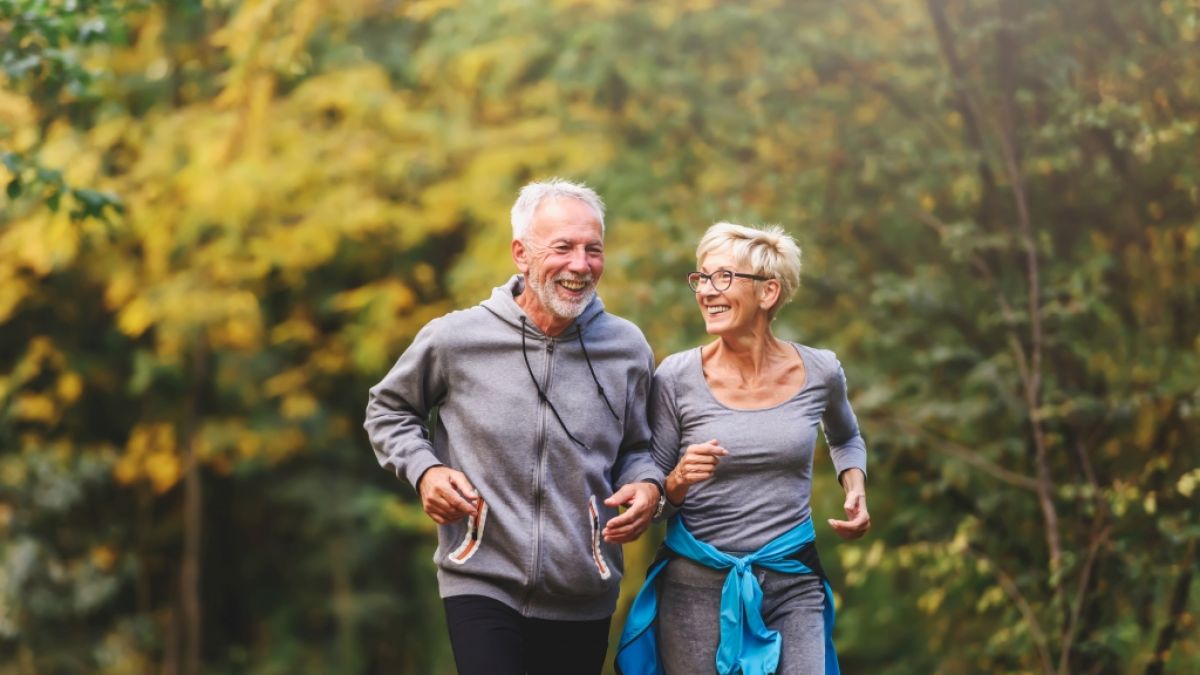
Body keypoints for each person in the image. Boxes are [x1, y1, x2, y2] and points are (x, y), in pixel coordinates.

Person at [364, 179, 665, 675]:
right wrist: (426, 472)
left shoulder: (627, 347)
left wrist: (648, 486)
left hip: (583, 587)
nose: (580, 265)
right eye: (563, 248)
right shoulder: (457, 338)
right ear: (521, 254)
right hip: (481, 577)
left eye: (593, 250)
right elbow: (388, 410)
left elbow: (640, 445)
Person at [617, 222, 870, 675]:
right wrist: (676, 480)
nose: (706, 291)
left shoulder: (821, 371)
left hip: (792, 578)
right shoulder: (675, 377)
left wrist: (854, 486)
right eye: (701, 278)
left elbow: (846, 437)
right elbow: (654, 494)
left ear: (768, 292)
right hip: (695, 587)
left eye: (724, 277)